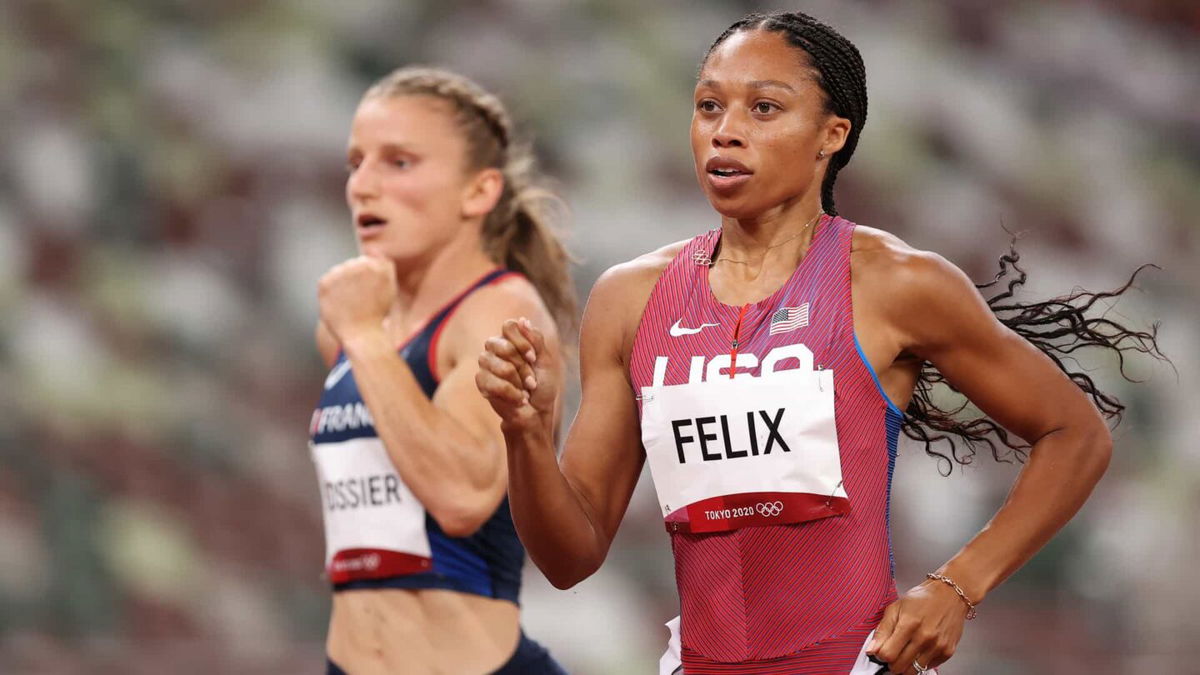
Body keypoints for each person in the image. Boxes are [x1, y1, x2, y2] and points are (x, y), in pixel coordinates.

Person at [476, 11, 1162, 675]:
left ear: (831, 134)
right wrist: (527, 435)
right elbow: (570, 558)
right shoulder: (630, 298)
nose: (726, 133)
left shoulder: (896, 281)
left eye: (764, 109)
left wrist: (958, 586)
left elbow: (1075, 434)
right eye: (709, 107)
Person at [310, 66, 573, 674]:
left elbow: (460, 498)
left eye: (398, 162)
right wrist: (362, 334)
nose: (362, 187)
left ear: (478, 192)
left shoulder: (502, 311)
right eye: (356, 162)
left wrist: (364, 339)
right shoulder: (354, 323)